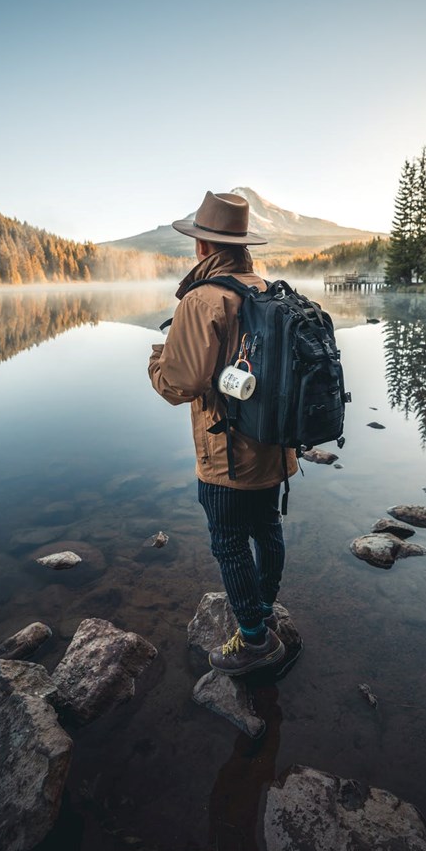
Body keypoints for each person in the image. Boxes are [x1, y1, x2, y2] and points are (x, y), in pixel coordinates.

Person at [148, 191, 297, 675]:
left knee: (229, 543)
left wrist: (156, 362)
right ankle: (265, 610)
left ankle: (255, 640)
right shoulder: (269, 288)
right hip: (276, 446)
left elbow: (180, 385)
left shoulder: (203, 298)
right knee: (267, 528)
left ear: (203, 248)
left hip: (227, 455)